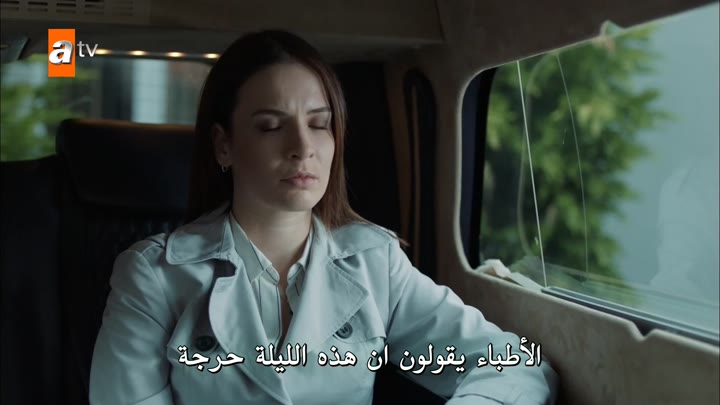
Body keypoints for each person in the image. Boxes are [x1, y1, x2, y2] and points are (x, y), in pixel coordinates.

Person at [89, 30, 558, 405]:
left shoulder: (374, 264)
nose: (303, 147)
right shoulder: (154, 276)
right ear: (223, 145)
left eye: (319, 123)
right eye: (271, 126)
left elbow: (514, 366)